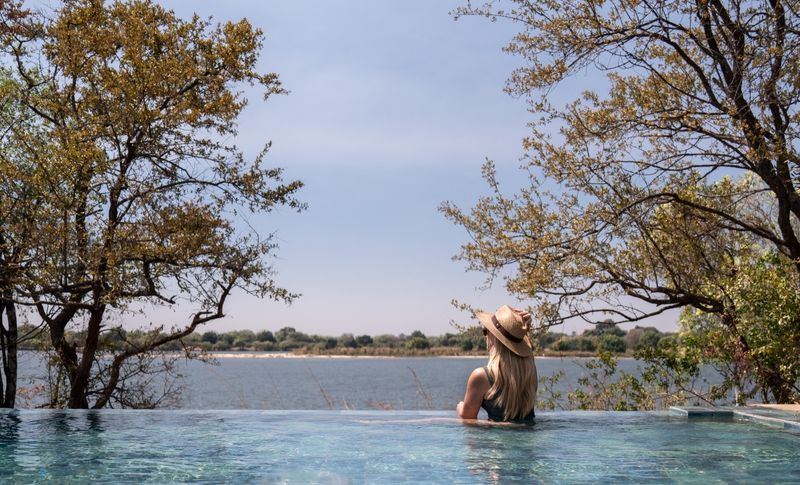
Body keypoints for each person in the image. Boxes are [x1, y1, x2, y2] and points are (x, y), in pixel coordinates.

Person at [456, 304, 538, 423]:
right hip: (529, 440)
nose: (485, 336)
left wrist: (460, 407)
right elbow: (527, 353)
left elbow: (467, 417)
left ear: (494, 338)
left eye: (486, 331)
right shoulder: (530, 371)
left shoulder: (481, 376)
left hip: (497, 440)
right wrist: (523, 328)